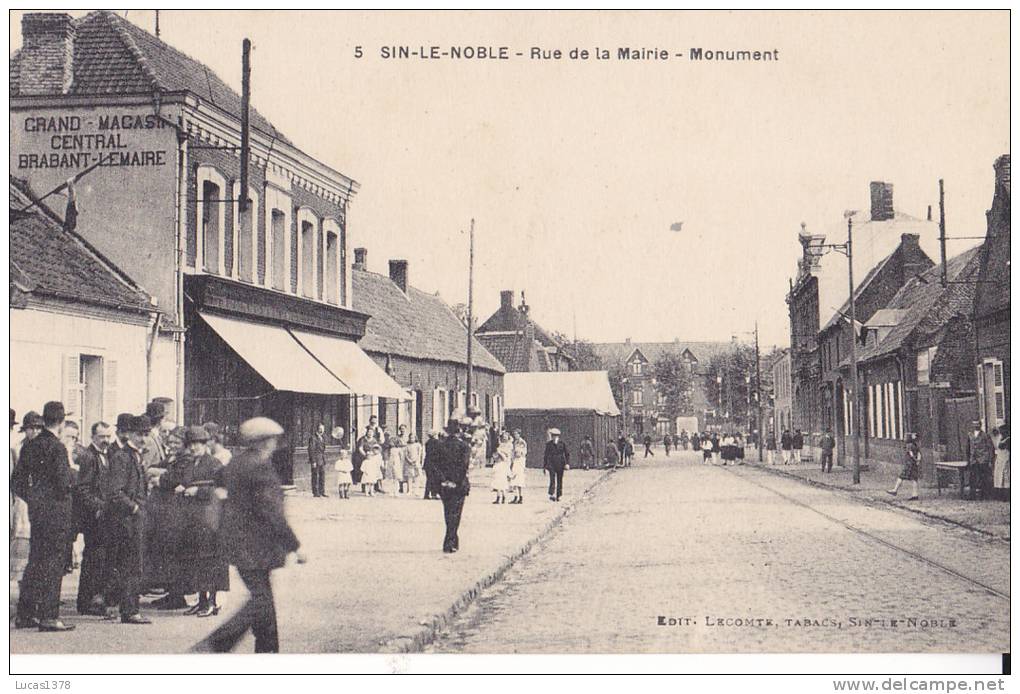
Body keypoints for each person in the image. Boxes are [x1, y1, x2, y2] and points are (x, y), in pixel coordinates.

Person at [194, 418, 304, 653]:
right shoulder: (259, 468)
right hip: (256, 547)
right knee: (260, 603)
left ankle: (266, 653)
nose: (275, 444)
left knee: (264, 605)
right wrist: (294, 545)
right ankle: (217, 644)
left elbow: (219, 480)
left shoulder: (238, 463)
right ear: (263, 442)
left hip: (239, 544)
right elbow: (271, 512)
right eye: (272, 440)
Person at [12, 402, 75, 632]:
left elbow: (16, 482)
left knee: (35, 562)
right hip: (57, 514)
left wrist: (35, 500)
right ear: (61, 422)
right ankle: (49, 616)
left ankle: (26, 614)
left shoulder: (30, 445)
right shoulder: (57, 447)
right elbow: (63, 483)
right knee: (53, 565)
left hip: (37, 514)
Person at [159, 426, 228, 618]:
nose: (194, 448)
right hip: (191, 518)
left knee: (210, 560)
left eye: (198, 444)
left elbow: (223, 491)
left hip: (209, 518)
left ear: (205, 445)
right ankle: (201, 600)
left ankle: (212, 602)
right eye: (191, 445)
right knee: (196, 561)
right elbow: (176, 479)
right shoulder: (191, 464)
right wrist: (182, 486)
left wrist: (198, 491)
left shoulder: (214, 465)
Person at [105, 414, 153, 625]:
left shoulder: (135, 456)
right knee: (131, 565)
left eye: (146, 434)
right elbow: (115, 492)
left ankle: (129, 608)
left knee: (133, 565)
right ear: (130, 434)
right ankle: (130, 610)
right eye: (140, 434)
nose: (143, 439)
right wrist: (134, 507)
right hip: (127, 520)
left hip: (134, 520)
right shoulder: (122, 457)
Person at [74, 421, 114, 616]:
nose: (106, 440)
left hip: (105, 516)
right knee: (93, 559)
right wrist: (98, 506)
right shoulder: (89, 457)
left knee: (101, 559)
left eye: (108, 436)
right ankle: (86, 601)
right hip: (94, 517)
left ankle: (96, 599)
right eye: (101, 437)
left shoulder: (107, 456)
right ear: (93, 438)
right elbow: (82, 489)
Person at [436, 418, 472, 552]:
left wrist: (444, 480)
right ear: (459, 431)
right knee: (456, 514)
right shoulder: (464, 446)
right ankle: (450, 542)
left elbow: (435, 465)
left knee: (448, 512)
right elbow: (464, 466)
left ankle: (452, 541)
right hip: (459, 485)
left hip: (444, 485)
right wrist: (455, 482)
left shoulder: (440, 445)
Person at [887, 433, 921, 500]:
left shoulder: (909, 445)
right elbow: (919, 453)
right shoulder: (916, 445)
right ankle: (915, 494)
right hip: (914, 464)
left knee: (901, 476)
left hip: (909, 463)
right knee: (914, 479)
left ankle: (895, 490)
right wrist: (918, 460)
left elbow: (911, 455)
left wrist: (914, 459)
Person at [967, 421, 995, 500]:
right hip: (973, 460)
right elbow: (968, 448)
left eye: (978, 424)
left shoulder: (985, 435)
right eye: (974, 424)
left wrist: (989, 460)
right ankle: (972, 496)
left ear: (980, 425)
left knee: (983, 478)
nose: (976, 426)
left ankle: (984, 496)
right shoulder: (970, 435)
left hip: (983, 459)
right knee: (972, 478)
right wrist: (969, 459)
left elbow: (990, 448)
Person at [544, 428, 570, 501]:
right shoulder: (549, 444)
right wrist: (545, 466)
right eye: (553, 436)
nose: (554, 437)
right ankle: (552, 494)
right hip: (551, 463)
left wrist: (567, 463)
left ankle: (559, 495)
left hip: (560, 463)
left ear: (558, 436)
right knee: (552, 479)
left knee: (559, 479)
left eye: (555, 436)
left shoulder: (562, 443)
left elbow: (567, 454)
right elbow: (546, 455)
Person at [490, 432, 513, 504]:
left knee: (502, 480)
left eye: (506, 436)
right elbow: (496, 454)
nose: (504, 438)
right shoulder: (500, 445)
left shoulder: (509, 445)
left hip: (504, 464)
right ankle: (499, 496)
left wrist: (500, 453)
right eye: (504, 436)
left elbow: (507, 456)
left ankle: (503, 496)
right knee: (498, 479)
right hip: (499, 463)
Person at [307, 423, 328, 498]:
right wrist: (313, 461)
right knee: (315, 476)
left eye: (323, 428)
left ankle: (322, 491)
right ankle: (315, 492)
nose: (322, 430)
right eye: (320, 428)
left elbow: (323, 449)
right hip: (316, 459)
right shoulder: (313, 438)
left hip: (322, 459)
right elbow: (311, 450)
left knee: (322, 476)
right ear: (317, 429)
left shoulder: (323, 438)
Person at [508, 429, 528, 503]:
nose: (515, 435)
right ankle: (515, 496)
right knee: (514, 479)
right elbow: (513, 452)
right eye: (514, 434)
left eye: (517, 434)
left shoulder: (522, 442)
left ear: (519, 434)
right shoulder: (515, 442)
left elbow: (524, 452)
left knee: (519, 478)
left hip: (520, 461)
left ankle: (520, 496)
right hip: (516, 460)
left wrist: (520, 453)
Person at [423, 430, 443, 500]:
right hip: (435, 463)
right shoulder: (438, 443)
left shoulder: (427, 443)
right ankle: (434, 494)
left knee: (429, 479)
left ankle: (427, 494)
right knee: (435, 479)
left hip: (428, 463)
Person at [992, 423, 1010, 502]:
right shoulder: (1000, 438)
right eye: (1000, 430)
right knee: (998, 477)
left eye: (1003, 430)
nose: (1001, 431)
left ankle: (1007, 496)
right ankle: (1000, 495)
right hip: (999, 459)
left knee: (1006, 476)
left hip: (1006, 459)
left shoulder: (1008, 439)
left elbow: (1001, 446)